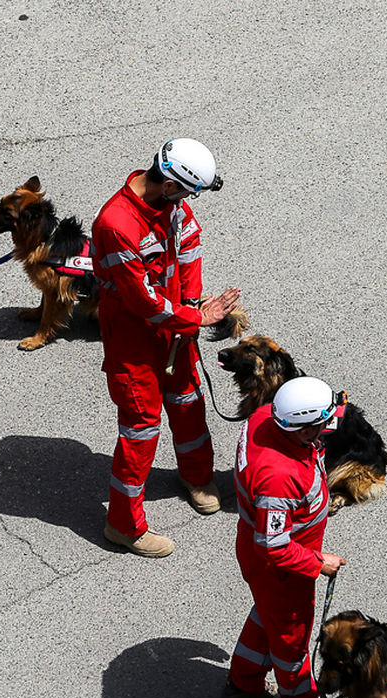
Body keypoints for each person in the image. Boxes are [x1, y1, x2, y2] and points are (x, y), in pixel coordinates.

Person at [91, 138, 241, 557]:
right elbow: (142, 302)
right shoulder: (116, 224)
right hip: (133, 342)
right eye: (189, 192)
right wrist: (198, 319)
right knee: (141, 431)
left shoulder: (170, 204)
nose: (189, 200)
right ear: (172, 183)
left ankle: (196, 476)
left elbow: (190, 247)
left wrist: (191, 306)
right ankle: (123, 525)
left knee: (189, 401)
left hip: (175, 326)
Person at [225, 376, 348, 698]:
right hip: (282, 568)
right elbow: (274, 545)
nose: (328, 428)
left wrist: (336, 403)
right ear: (302, 430)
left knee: (267, 615)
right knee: (292, 639)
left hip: (260, 555)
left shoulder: (267, 415)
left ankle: (243, 681)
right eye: (321, 426)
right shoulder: (277, 480)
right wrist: (316, 563)